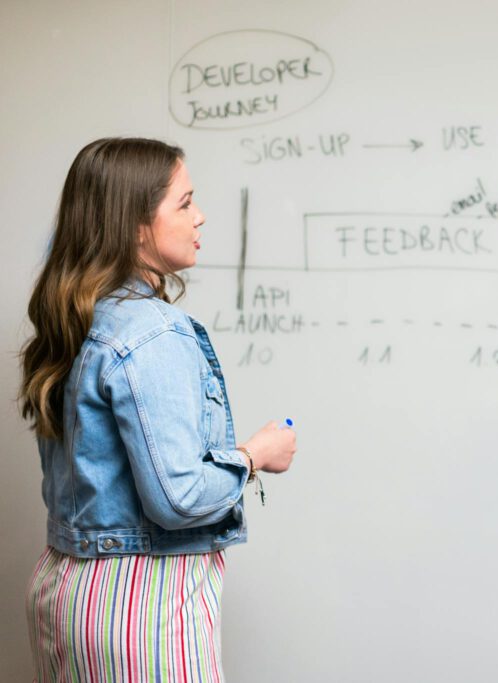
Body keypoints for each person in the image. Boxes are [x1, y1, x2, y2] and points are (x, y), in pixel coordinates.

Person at [18, 137, 297, 681]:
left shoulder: (77, 317)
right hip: (140, 605)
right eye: (185, 202)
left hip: (64, 591)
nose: (201, 216)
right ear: (136, 225)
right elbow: (178, 497)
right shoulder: (153, 331)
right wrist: (255, 455)